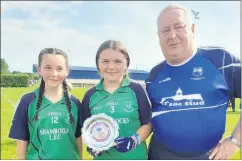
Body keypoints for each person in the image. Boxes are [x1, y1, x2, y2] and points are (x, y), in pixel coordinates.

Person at [145, 4, 241, 160]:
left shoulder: (221, 59)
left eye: (179, 27)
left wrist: (235, 141)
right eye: (165, 30)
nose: (172, 35)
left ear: (193, 29)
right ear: (159, 35)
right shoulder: (154, 75)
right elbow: (144, 119)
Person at [82, 40, 152, 159]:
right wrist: (92, 146)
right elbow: (86, 130)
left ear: (126, 64)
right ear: (98, 64)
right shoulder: (90, 95)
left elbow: (149, 123)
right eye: (105, 61)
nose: (111, 67)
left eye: (118, 61)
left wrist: (134, 140)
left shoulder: (137, 89)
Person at [9, 48, 83, 159]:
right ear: (39, 69)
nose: (54, 74)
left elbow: (78, 138)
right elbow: (21, 140)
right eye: (48, 68)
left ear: (66, 71)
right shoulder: (27, 101)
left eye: (59, 68)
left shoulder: (75, 103)